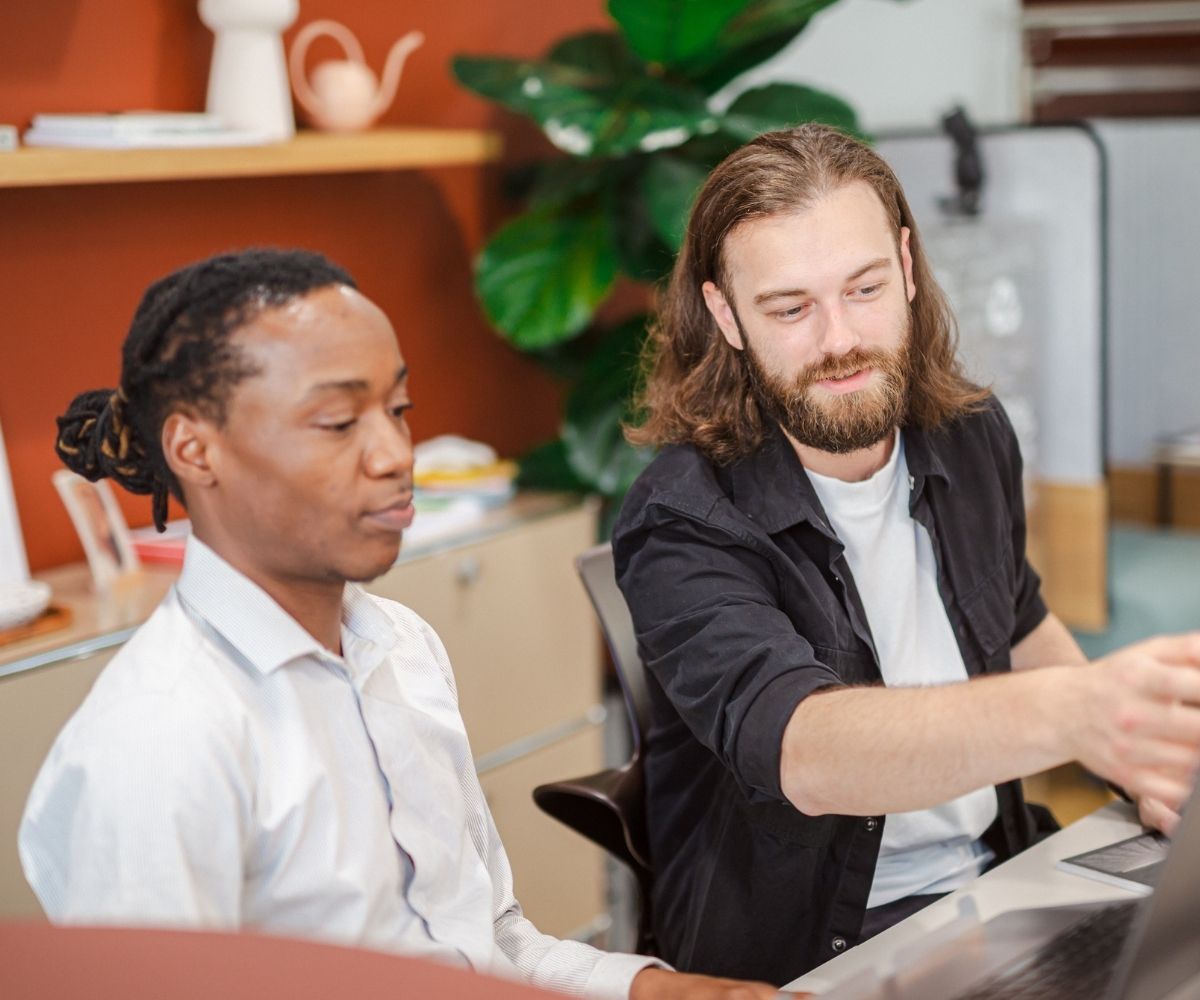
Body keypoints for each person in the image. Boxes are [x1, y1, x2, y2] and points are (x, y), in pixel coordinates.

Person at [20, 249, 786, 1000]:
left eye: (397, 411)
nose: (394, 454)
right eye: (337, 421)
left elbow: (489, 943)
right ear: (195, 449)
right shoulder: (153, 747)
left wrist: (655, 988)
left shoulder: (399, 645)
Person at [612, 124, 1200, 985]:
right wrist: (1077, 708)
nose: (839, 340)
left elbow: (1021, 617)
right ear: (726, 316)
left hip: (1001, 885)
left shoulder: (968, 436)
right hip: (819, 951)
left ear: (909, 267)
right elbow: (805, 753)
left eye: (865, 288)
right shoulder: (683, 520)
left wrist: (1143, 757)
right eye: (790, 308)